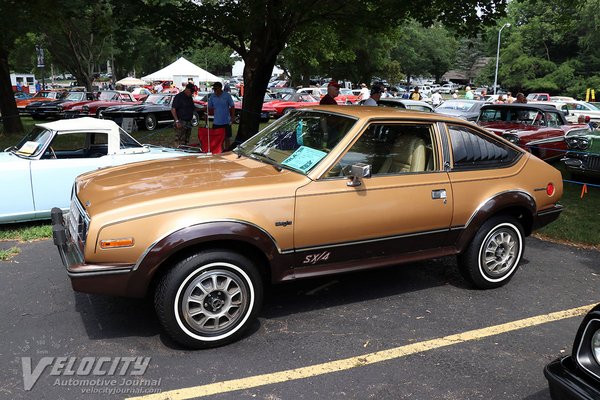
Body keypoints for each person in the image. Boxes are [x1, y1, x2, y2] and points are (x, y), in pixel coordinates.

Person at [208, 81, 235, 149]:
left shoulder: (227, 96)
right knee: (217, 139)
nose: (214, 90)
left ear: (220, 88)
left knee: (227, 138)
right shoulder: (212, 96)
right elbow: (209, 107)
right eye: (213, 89)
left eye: (216, 89)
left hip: (226, 121)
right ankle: (220, 151)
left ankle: (227, 151)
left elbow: (232, 106)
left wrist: (233, 117)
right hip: (216, 122)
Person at [171, 82, 196, 147]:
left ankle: (185, 150)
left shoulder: (190, 97)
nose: (192, 93)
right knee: (179, 139)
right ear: (187, 89)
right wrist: (177, 121)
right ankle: (178, 152)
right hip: (181, 121)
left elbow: (193, 108)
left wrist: (203, 108)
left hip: (188, 122)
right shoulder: (179, 97)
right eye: (191, 91)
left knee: (186, 140)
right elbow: (173, 109)